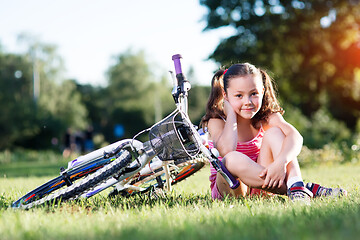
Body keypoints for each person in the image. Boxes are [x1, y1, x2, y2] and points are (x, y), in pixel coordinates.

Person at [200, 63, 346, 203]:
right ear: (225, 95)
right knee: (231, 159)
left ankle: (296, 184)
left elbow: (296, 137)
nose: (248, 102)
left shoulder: (267, 117)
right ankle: (299, 189)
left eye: (254, 94)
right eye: (239, 96)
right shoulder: (217, 121)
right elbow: (226, 151)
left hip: (263, 188)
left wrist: (281, 162)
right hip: (231, 188)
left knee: (275, 133)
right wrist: (230, 113)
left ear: (262, 91)